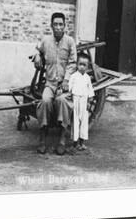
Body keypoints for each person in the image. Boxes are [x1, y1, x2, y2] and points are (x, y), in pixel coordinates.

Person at [33, 12, 77, 155]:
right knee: (45, 101)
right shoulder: (46, 41)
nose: (58, 27)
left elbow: (73, 63)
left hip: (64, 84)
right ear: (51, 26)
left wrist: (66, 80)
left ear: (65, 26)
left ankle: (62, 139)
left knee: (63, 101)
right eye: (55, 24)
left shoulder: (70, 42)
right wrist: (37, 56)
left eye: (61, 24)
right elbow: (37, 49)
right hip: (50, 83)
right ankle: (43, 137)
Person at [69, 53, 95, 150]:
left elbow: (90, 89)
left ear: (87, 67)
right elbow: (69, 88)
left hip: (84, 101)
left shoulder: (87, 78)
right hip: (76, 100)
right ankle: (75, 143)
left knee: (84, 121)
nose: (82, 67)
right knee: (75, 121)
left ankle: (82, 142)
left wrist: (89, 100)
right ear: (77, 64)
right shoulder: (74, 76)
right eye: (80, 64)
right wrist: (70, 96)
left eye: (84, 65)